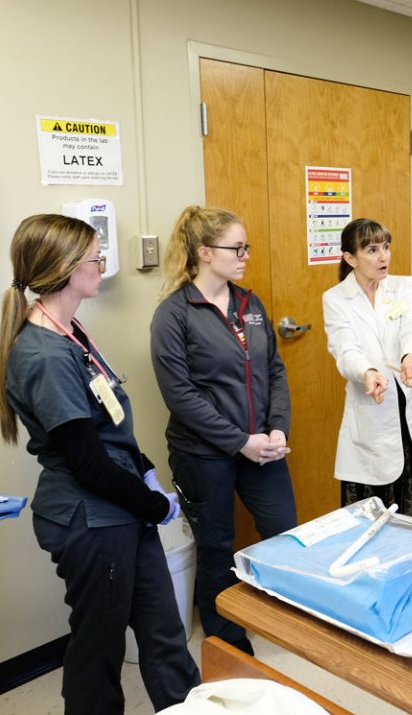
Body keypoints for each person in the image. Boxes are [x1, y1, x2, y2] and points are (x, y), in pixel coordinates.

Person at [0, 214, 199, 713]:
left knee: (165, 635)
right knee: (98, 649)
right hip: (92, 518)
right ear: (65, 268)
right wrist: (152, 504)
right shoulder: (42, 355)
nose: (102, 266)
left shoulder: (71, 331)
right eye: (95, 259)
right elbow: (87, 463)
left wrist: (144, 465)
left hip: (121, 505)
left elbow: (107, 419)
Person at [150, 206, 296, 656]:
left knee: (284, 532)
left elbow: (274, 370)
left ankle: (284, 619)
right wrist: (239, 442)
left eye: (246, 247)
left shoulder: (250, 306)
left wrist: (275, 429)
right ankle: (228, 644)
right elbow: (181, 397)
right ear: (204, 252)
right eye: (237, 248)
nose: (245, 255)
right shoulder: (174, 315)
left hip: (262, 448)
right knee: (216, 548)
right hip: (204, 454)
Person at [322, 218, 412, 520]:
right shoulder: (335, 299)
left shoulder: (402, 286)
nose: (383, 256)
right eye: (372, 250)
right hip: (374, 407)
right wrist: (367, 371)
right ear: (350, 258)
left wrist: (410, 356)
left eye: (385, 247)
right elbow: (344, 349)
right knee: (382, 508)